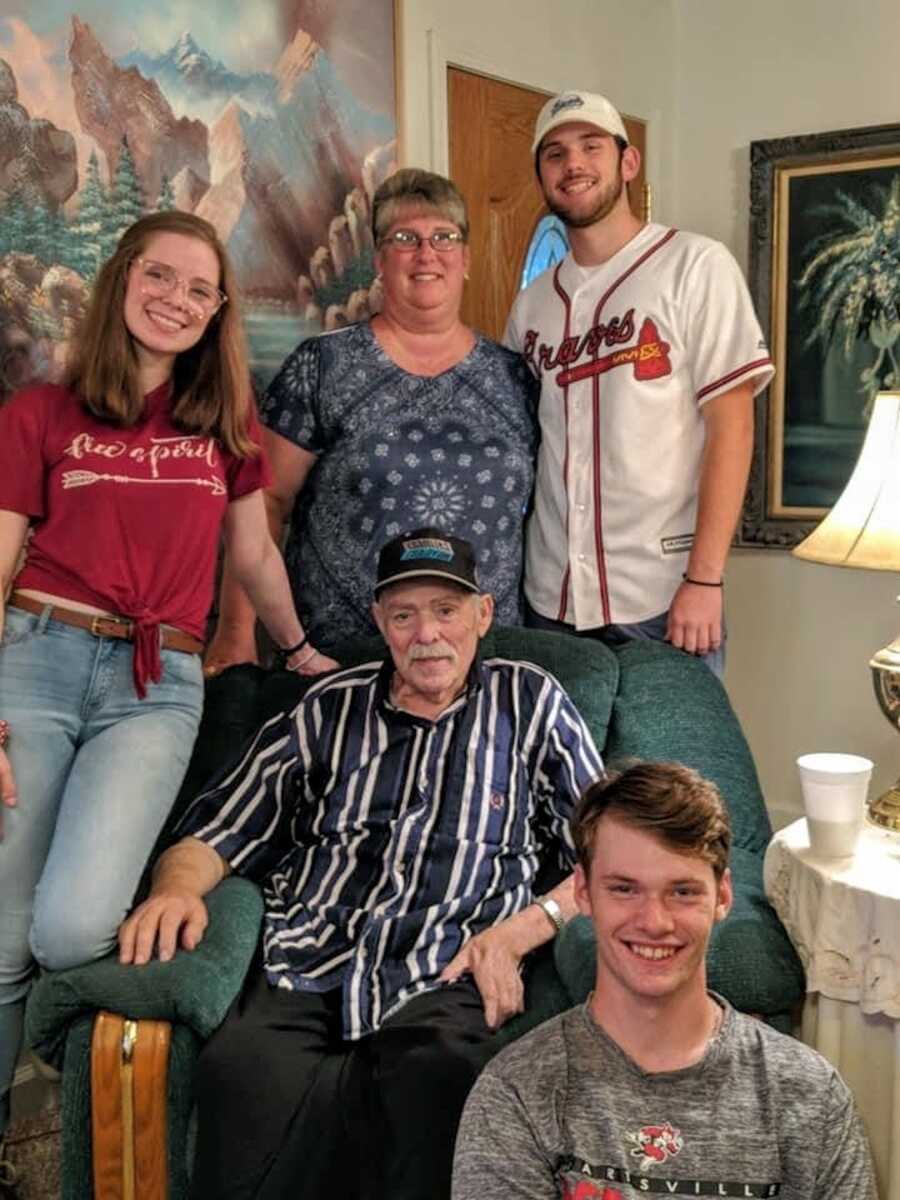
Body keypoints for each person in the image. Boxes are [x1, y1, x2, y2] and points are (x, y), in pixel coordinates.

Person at [119, 528, 605, 1200]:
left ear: (483, 615)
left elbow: (612, 857)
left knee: (442, 1084)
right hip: (306, 964)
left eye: (445, 610)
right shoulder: (327, 707)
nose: (426, 634)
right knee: (239, 1075)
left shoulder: (530, 702)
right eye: (404, 615)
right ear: (380, 622)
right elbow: (219, 826)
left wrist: (522, 931)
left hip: (446, 968)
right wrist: (175, 890)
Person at [0, 211, 336, 1155]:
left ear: (218, 310)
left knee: (67, 931)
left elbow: (256, 556)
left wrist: (300, 649)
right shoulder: (39, 413)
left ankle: (73, 1085)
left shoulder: (222, 426)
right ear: (123, 280)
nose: (178, 300)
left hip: (157, 684)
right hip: (36, 655)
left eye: (200, 289)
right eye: (162, 277)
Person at [452, 762, 877, 1199]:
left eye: (682, 891)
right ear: (583, 894)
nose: (654, 922)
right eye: (624, 889)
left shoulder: (809, 1095)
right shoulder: (516, 1093)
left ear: (723, 896)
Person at [204, 167, 539, 675]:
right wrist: (235, 633)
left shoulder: (516, 377)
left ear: (466, 259)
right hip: (340, 661)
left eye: (444, 237)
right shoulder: (322, 367)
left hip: (487, 665)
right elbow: (264, 503)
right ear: (380, 260)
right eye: (405, 238)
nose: (426, 253)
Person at [507, 91, 775, 677]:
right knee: (565, 770)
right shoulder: (531, 305)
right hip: (550, 596)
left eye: (590, 147)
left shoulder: (695, 265)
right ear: (542, 178)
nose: (573, 164)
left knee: (672, 769)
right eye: (554, 154)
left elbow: (732, 425)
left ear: (628, 164)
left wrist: (705, 577)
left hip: (663, 595)